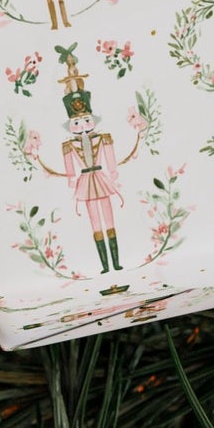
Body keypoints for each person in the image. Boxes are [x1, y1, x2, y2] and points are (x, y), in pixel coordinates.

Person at [33, 47, 141, 282]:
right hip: (86, 181)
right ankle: (104, 265)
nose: (82, 124)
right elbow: (70, 168)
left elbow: (111, 160)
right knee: (94, 221)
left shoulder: (104, 138)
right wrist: (72, 178)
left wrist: (113, 173)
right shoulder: (68, 146)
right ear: (71, 123)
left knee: (109, 218)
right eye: (77, 121)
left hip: (101, 178)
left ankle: (117, 261)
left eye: (85, 120)